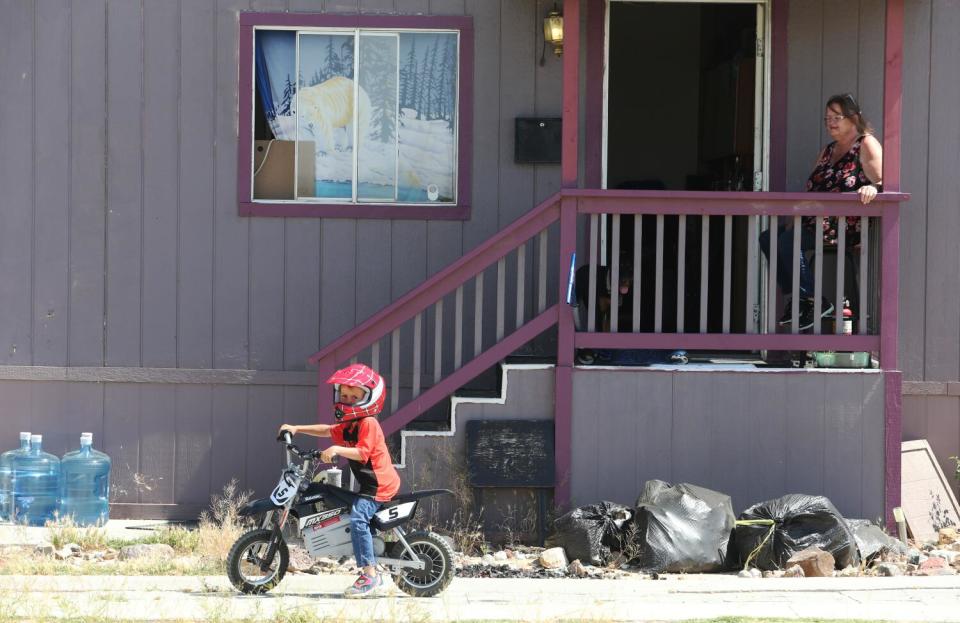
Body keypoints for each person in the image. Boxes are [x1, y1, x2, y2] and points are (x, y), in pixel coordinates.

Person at [760, 93, 882, 331]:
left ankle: (812, 301)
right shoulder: (827, 150)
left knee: (788, 242)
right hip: (814, 222)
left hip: (844, 225)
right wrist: (795, 219)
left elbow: (881, 182)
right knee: (769, 238)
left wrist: (872, 187)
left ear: (854, 117)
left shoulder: (865, 143)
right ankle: (802, 299)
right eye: (827, 118)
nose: (831, 123)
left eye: (837, 117)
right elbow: (812, 187)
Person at [278, 363, 400, 598]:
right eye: (344, 395)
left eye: (354, 396)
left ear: (370, 398)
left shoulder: (368, 423)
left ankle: (370, 575)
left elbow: (363, 453)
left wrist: (336, 449)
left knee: (358, 519)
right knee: (326, 491)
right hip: (370, 485)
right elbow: (327, 430)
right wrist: (297, 428)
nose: (347, 399)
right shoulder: (351, 423)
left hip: (379, 486)